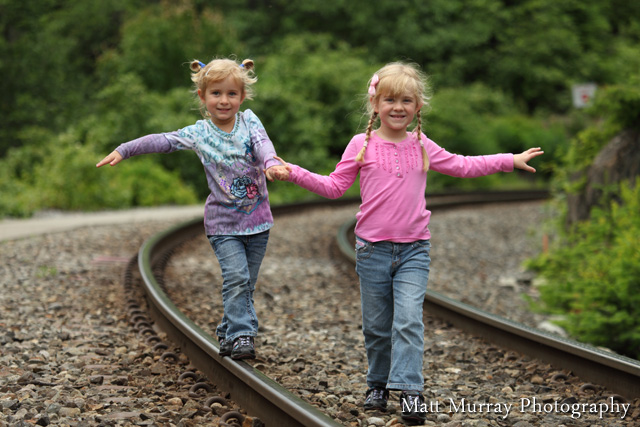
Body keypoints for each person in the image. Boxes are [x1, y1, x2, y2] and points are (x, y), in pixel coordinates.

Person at [271, 62, 543, 425]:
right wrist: (294, 172)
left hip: (415, 249)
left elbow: (463, 165)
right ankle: (378, 384)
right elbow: (334, 187)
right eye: (390, 100)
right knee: (378, 326)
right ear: (375, 104)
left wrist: (509, 160)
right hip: (372, 251)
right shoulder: (361, 144)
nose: (398, 107)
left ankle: (412, 392)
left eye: (406, 100)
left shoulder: (422, 145)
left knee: (409, 321)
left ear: (418, 107)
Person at [96, 57, 290, 361]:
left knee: (246, 284)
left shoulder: (250, 121)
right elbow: (163, 141)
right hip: (223, 226)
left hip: (259, 222)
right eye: (216, 93)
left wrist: (270, 163)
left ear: (242, 97)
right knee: (237, 278)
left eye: (231, 94)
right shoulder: (200, 133)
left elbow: (263, 144)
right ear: (203, 97)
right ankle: (242, 336)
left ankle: (228, 330)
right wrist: (125, 149)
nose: (224, 101)